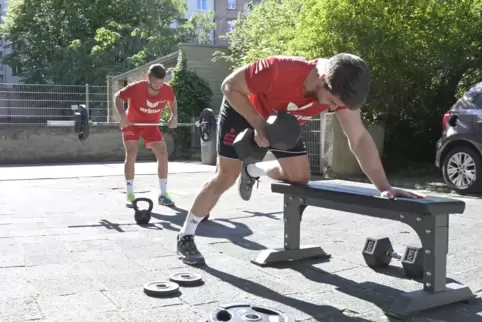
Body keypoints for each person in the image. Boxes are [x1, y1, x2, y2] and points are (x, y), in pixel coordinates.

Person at [176, 54, 426, 265]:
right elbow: (230, 86)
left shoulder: (340, 91)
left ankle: (253, 171)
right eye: (331, 101)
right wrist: (259, 125)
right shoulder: (279, 70)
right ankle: (186, 234)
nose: (331, 108)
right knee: (225, 176)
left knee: (300, 178)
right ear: (321, 79)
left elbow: (359, 138)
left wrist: (384, 187)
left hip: (285, 122)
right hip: (245, 109)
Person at [114, 63, 178, 208]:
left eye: (161, 83)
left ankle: (164, 194)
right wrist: (123, 116)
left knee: (162, 154)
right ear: (148, 77)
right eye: (155, 83)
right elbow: (118, 96)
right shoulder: (136, 87)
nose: (158, 86)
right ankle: (130, 194)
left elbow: (172, 100)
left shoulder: (167, 89)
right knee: (131, 153)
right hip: (132, 125)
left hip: (151, 126)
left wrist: (174, 116)